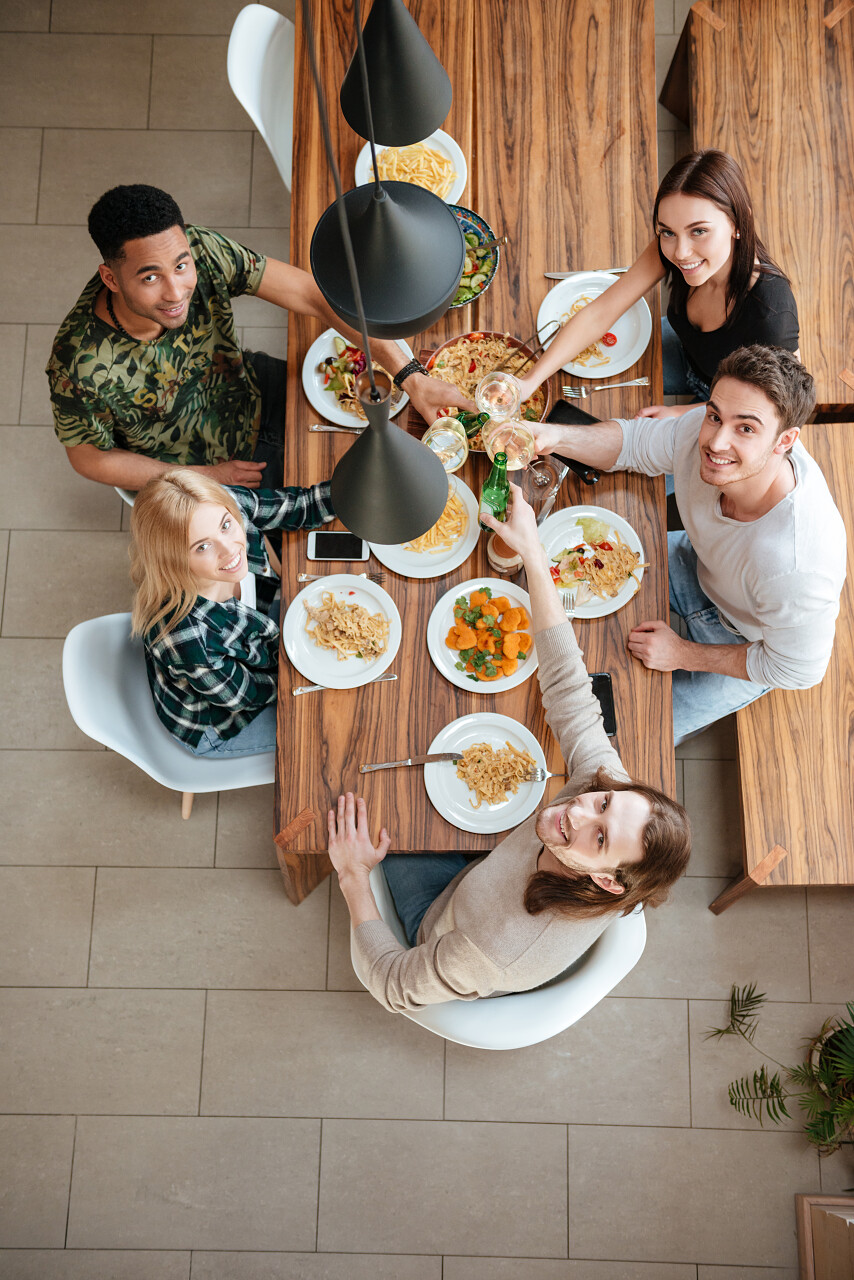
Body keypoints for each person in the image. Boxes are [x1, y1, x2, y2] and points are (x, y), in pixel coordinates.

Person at [328, 485, 691, 1013]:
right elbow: (569, 690)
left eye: (599, 835)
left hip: (448, 917)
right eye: (606, 803)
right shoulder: (603, 791)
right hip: (488, 870)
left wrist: (353, 877)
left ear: (609, 883)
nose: (582, 806)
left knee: (370, 775)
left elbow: (392, 985)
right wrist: (534, 556)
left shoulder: (492, 949)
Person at [48, 184, 470, 492]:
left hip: (253, 390)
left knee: (396, 447)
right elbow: (89, 457)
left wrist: (412, 377)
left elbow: (312, 295)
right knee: (353, 505)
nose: (176, 292)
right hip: (199, 469)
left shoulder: (201, 249)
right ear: (111, 278)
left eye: (180, 266)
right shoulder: (78, 363)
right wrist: (209, 478)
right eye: (150, 277)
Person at [533, 345, 847, 745]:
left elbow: (797, 671)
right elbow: (633, 444)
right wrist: (551, 436)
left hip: (751, 642)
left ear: (786, 440)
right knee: (550, 577)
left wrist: (682, 653)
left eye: (745, 428)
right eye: (715, 415)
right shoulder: (705, 427)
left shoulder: (798, 565)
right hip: (699, 566)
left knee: (622, 736)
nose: (716, 441)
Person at [517, 150, 799, 416]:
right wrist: (530, 382)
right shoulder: (675, 248)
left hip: (731, 402)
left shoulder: (772, 314)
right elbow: (601, 313)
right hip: (687, 353)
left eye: (699, 231)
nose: (680, 252)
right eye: (667, 232)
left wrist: (679, 413)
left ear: (739, 223)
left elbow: (775, 403)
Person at [129, 469, 333, 757]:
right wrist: (319, 672)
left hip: (255, 640)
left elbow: (297, 506)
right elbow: (246, 695)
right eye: (202, 547)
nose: (231, 550)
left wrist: (353, 489)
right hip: (220, 723)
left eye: (226, 526)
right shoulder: (187, 637)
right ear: (172, 560)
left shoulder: (219, 509)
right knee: (330, 734)